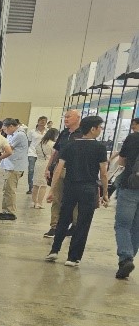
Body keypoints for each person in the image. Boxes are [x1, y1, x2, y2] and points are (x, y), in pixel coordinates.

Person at [46, 115, 108, 268]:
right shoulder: (100, 147)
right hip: (88, 188)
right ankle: (73, 257)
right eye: (99, 127)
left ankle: (54, 250)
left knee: (64, 218)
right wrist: (105, 193)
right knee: (83, 222)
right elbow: (103, 173)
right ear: (92, 129)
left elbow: (59, 169)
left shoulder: (70, 145)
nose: (100, 130)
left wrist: (52, 190)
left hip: (70, 186)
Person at [44, 109, 82, 238]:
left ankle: (74, 226)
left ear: (77, 118)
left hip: (76, 171)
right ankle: (54, 226)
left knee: (75, 200)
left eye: (69, 117)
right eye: (65, 117)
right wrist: (48, 167)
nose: (66, 119)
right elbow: (56, 151)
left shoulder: (83, 133)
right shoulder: (64, 133)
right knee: (56, 197)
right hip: (60, 169)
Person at [111, 116, 139, 280]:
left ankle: (126, 258)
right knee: (136, 227)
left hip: (130, 186)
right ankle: (128, 260)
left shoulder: (133, 138)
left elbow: (121, 162)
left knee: (122, 225)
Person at [0, 118, 28, 221]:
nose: (4, 132)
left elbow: (7, 150)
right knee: (6, 189)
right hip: (10, 166)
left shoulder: (19, 135)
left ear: (11, 126)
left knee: (10, 190)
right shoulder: (12, 134)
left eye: (5, 129)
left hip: (15, 167)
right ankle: (5, 210)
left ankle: (10, 212)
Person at [31, 127, 58, 209]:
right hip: (46, 163)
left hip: (38, 162)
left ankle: (33, 202)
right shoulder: (52, 144)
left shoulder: (40, 143)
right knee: (43, 184)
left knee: (35, 184)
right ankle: (39, 203)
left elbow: (35, 150)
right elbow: (54, 155)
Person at [27, 116, 48, 194]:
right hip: (32, 152)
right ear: (38, 121)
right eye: (41, 120)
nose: (42, 122)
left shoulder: (47, 132)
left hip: (42, 154)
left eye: (44, 121)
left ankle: (39, 186)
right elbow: (29, 142)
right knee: (31, 170)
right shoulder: (32, 132)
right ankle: (31, 187)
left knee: (40, 171)